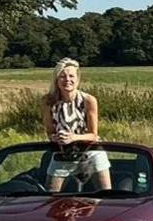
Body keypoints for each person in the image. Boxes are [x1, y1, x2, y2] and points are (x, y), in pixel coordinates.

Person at [41, 58, 111, 193]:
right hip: (63, 153)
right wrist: (55, 137)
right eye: (62, 76)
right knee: (50, 195)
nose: (67, 80)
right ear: (56, 80)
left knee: (107, 194)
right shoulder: (47, 101)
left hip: (91, 152)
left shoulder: (88, 100)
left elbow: (94, 135)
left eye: (71, 76)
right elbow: (49, 131)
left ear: (78, 79)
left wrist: (73, 137)